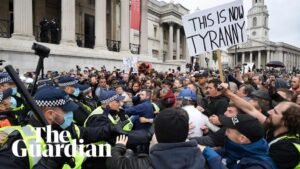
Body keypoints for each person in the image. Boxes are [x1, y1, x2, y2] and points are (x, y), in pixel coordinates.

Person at [0, 86, 126, 169]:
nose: (71, 114)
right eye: (66, 111)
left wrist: (110, 129)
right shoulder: (20, 145)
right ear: (50, 114)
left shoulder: (64, 128)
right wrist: (48, 163)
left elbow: (87, 133)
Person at [106, 108, 222, 169]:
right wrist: (210, 153)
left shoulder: (142, 164)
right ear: (187, 131)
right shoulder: (207, 161)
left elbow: (114, 163)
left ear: (156, 133)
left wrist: (119, 147)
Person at [220, 83, 300, 169]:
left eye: (275, 112)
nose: (269, 112)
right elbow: (250, 109)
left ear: (285, 121)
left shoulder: (287, 149)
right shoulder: (273, 126)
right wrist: (227, 93)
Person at [200, 114, 277, 169]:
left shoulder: (259, 165)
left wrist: (212, 156)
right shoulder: (236, 146)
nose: (225, 133)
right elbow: (226, 152)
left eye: (228, 131)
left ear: (242, 138)